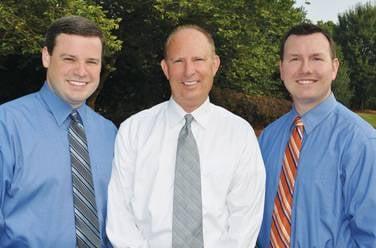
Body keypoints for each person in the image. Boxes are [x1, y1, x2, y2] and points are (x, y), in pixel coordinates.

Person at [106, 24, 265, 247]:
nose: (189, 71)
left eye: (198, 60)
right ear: (165, 68)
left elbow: (245, 220)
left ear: (215, 64)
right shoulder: (133, 130)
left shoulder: (239, 134)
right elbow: (119, 215)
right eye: (178, 61)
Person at [0, 16, 117, 247]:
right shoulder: (6, 125)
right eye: (69, 59)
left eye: (92, 62)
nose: (81, 71)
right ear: (46, 57)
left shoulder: (110, 133)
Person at [257, 23, 376, 247]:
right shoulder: (267, 139)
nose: (305, 69)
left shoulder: (362, 143)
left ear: (334, 68)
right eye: (294, 59)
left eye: (316, 58)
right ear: (282, 69)